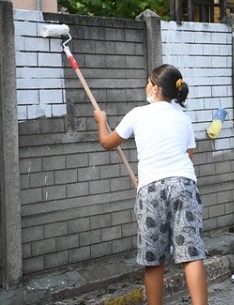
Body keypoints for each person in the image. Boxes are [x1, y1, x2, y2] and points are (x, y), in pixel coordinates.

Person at [93, 64, 208, 305]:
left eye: (148, 82)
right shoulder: (183, 118)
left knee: (153, 258)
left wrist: (101, 120)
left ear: (155, 88)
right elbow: (188, 156)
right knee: (192, 253)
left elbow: (107, 142)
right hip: (183, 185)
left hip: (151, 189)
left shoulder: (137, 114)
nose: (145, 86)